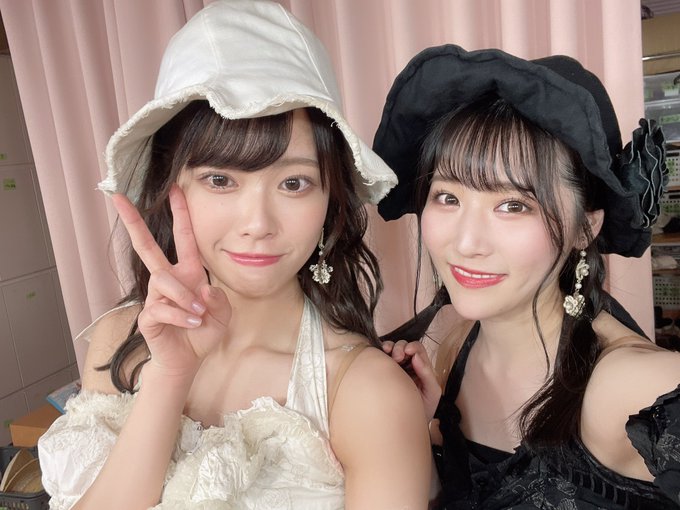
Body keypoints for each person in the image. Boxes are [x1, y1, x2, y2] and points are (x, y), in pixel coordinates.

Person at [37, 1, 431, 509]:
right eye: (220, 180)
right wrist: (169, 379)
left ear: (330, 198)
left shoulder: (367, 392)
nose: (257, 224)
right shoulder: (121, 341)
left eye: (294, 183)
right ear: (171, 185)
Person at [374, 44, 680, 508]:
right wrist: (412, 432)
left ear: (585, 228)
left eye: (513, 205)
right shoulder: (455, 348)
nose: (466, 242)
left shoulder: (636, 388)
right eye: (448, 198)